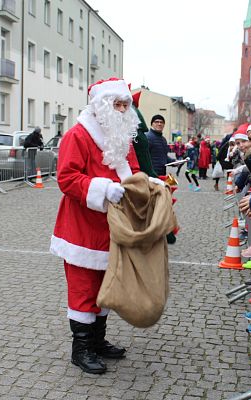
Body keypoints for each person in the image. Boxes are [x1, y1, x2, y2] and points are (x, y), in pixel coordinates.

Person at [50, 77, 142, 375]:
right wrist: (102, 188)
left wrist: (145, 185)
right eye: (116, 104)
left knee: (106, 287)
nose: (121, 109)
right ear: (101, 105)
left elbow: (135, 171)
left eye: (125, 105)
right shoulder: (78, 135)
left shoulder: (121, 137)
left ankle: (98, 342)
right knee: (83, 290)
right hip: (81, 228)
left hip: (112, 228)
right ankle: (81, 349)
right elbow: (66, 178)